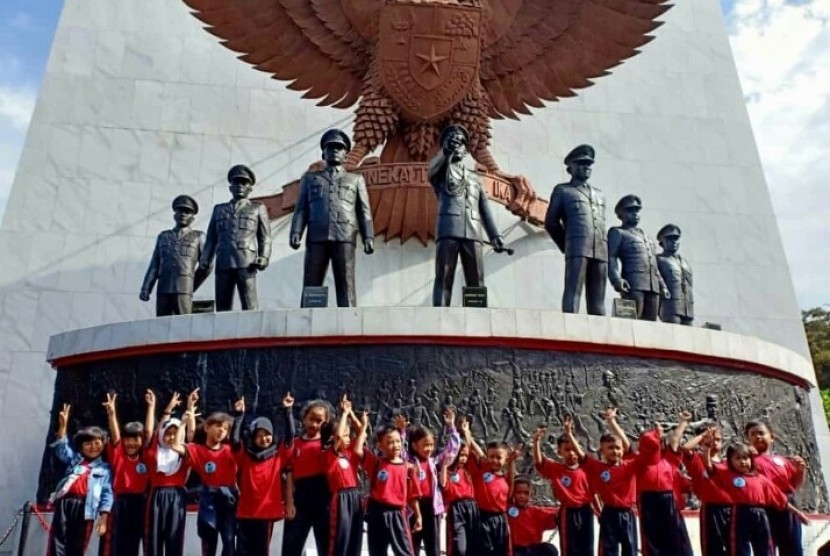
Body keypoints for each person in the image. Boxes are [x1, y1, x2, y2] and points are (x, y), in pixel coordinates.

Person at [290, 129, 374, 307]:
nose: (335, 150)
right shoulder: (311, 179)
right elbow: (301, 209)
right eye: (331, 147)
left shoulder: (356, 180)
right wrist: (296, 231)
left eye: (339, 148)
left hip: (344, 235)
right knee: (312, 282)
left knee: (346, 283)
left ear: (345, 155)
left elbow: (363, 212)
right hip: (316, 235)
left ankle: (349, 321)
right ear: (324, 152)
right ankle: (309, 321)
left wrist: (368, 237)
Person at [428, 124, 507, 306]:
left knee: (476, 279)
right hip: (449, 230)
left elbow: (485, 210)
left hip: (473, 232)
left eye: (461, 143)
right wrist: (446, 151)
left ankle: (477, 316)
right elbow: (432, 170)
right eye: (453, 141)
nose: (457, 145)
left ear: (466, 151)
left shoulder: (475, 179)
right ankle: (439, 315)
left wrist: (496, 236)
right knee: (444, 277)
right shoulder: (440, 172)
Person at [564, 408, 657, 556]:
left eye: (617, 448)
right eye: (610, 448)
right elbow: (582, 456)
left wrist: (612, 422)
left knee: (630, 549)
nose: (615, 451)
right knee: (608, 550)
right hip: (609, 514)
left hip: (628, 514)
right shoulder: (598, 467)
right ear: (602, 451)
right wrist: (569, 434)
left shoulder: (630, 465)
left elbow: (629, 447)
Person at [703, 442, 809, 556]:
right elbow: (709, 467)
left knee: (764, 546)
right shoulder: (727, 474)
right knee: (739, 547)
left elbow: (781, 499)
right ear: (730, 461)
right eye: (737, 458)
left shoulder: (761, 479)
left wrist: (799, 514)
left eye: (745, 458)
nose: (743, 462)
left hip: (761, 514)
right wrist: (707, 449)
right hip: (739, 513)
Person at [169, 389, 237, 556]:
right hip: (209, 500)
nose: (222, 431)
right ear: (207, 427)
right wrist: (184, 422)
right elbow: (176, 446)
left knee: (229, 542)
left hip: (229, 498)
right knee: (208, 542)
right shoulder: (197, 450)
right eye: (218, 426)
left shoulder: (231, 450)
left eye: (226, 429)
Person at [544, 144, 608, 315]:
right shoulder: (563, 191)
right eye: (580, 163)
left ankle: (600, 333)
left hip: (600, 249)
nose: (586, 167)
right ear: (570, 168)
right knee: (574, 292)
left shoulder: (599, 194)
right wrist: (567, 245)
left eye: (588, 164)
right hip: (577, 248)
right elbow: (551, 222)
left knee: (598, 299)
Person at [199, 164, 272, 311]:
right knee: (222, 305)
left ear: (250, 188)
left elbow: (265, 237)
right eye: (236, 183)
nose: (240, 186)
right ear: (230, 187)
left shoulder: (257, 209)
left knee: (249, 303)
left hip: (247, 262)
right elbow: (212, 238)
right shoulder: (219, 210)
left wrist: (264, 257)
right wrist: (205, 258)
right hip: (224, 260)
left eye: (244, 183)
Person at [231, 393, 295, 556]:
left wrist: (288, 411)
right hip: (246, 512)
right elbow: (235, 442)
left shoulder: (278, 456)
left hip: (265, 514)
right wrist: (239, 416)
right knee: (242, 552)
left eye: (266, 434)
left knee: (261, 552)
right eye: (258, 435)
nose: (263, 438)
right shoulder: (245, 456)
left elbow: (289, 438)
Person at [46, 403, 112, 556]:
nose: (93, 447)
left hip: (86, 506)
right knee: (58, 540)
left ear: (103, 444)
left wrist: (104, 517)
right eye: (88, 443)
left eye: (97, 443)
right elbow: (62, 451)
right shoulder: (75, 461)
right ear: (81, 447)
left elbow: (107, 494)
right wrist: (63, 426)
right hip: (65, 503)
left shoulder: (104, 469)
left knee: (79, 543)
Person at [399, 407, 460, 556]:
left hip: (432, 507)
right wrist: (402, 432)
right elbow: (400, 451)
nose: (429, 448)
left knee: (433, 547)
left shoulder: (434, 462)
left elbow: (452, 449)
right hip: (414, 508)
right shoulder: (409, 462)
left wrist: (451, 427)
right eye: (425, 445)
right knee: (412, 546)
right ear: (414, 446)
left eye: (431, 445)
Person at [633, 411, 693, 556]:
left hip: (668, 501)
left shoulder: (669, 460)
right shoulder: (640, 462)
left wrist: (683, 422)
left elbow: (675, 439)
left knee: (676, 539)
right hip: (648, 502)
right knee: (652, 541)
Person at [745, 420, 808, 556]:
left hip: (787, 506)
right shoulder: (746, 461)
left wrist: (800, 471)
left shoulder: (783, 461)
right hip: (763, 507)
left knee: (792, 547)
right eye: (753, 434)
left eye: (761, 433)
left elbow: (795, 486)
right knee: (766, 548)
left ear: (772, 437)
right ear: (748, 439)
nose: (757, 437)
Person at [357, 423, 421, 556]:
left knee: (404, 551)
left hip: (398, 514)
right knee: (377, 551)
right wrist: (362, 429)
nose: (395, 445)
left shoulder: (409, 468)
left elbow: (413, 496)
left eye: (398, 441)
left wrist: (418, 516)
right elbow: (358, 451)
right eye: (390, 442)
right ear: (380, 445)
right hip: (377, 513)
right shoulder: (376, 463)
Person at [143, 390, 195, 556]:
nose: (171, 436)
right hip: (156, 496)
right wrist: (153, 407)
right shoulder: (154, 452)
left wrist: (190, 409)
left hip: (177, 497)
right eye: (168, 433)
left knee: (174, 539)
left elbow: (191, 434)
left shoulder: (183, 452)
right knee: (153, 539)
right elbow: (150, 432)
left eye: (175, 433)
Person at [533, 418, 594, 556]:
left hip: (586, 511)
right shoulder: (556, 469)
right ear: (559, 452)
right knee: (569, 548)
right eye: (567, 450)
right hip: (568, 512)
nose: (571, 453)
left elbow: (594, 494)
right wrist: (536, 442)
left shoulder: (587, 469)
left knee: (587, 546)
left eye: (574, 449)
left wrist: (599, 511)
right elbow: (539, 462)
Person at [140, 194, 208, 316]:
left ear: (192, 217)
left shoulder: (199, 236)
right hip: (163, 286)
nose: (183, 214)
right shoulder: (164, 236)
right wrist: (146, 288)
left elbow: (207, 265)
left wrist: (192, 283)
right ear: (175, 214)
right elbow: (154, 265)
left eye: (187, 212)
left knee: (182, 323)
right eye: (180, 211)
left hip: (184, 287)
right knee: (161, 324)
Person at [99, 393, 150, 556]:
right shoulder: (118, 456)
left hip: (139, 503)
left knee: (133, 543)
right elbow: (115, 436)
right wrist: (112, 413)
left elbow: (149, 433)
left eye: (135, 439)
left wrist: (151, 406)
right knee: (114, 541)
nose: (131, 443)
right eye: (128, 439)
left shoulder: (147, 458)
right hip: (120, 502)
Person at [282, 399, 334, 556]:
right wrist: (289, 503)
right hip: (301, 500)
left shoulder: (328, 446)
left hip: (324, 500)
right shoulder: (295, 443)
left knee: (326, 546)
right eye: (312, 419)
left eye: (320, 421)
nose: (315, 424)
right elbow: (289, 474)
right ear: (304, 419)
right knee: (291, 544)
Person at [607, 195, 668, 320]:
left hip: (653, 287)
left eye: (637, 211)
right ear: (621, 214)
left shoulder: (647, 237)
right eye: (630, 210)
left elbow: (654, 266)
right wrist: (616, 279)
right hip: (633, 284)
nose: (635, 214)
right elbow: (611, 257)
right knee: (631, 322)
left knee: (650, 324)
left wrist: (663, 286)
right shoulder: (618, 233)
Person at [323, 396, 370, 556]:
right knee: (340, 538)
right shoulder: (329, 455)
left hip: (355, 496)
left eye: (348, 435)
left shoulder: (350, 452)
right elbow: (337, 437)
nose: (348, 438)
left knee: (355, 537)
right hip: (341, 499)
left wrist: (352, 414)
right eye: (345, 435)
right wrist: (343, 415)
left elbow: (361, 433)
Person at [461, 416, 513, 556]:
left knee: (499, 550)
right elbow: (478, 453)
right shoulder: (482, 470)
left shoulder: (505, 477)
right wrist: (467, 434)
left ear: (506, 459)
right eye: (492, 457)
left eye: (498, 457)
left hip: (500, 520)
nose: (494, 460)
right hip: (482, 517)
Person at [682, 426, 732, 556]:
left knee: (733, 546)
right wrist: (703, 435)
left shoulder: (729, 463)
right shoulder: (696, 460)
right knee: (712, 548)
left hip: (731, 509)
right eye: (710, 440)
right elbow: (686, 448)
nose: (714, 442)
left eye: (717, 439)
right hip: (711, 510)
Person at [439, 441, 479, 556]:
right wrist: (445, 465)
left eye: (465, 456)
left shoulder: (467, 469)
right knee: (459, 547)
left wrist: (468, 436)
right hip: (456, 509)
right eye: (460, 455)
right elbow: (443, 485)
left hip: (472, 508)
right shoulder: (447, 472)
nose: (463, 459)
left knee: (473, 545)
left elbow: (481, 457)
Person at [507, 476, 559, 556]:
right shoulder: (508, 508)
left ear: (531, 494)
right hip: (514, 550)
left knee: (550, 549)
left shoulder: (536, 512)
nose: (522, 496)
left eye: (526, 493)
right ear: (513, 493)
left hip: (533, 550)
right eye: (518, 492)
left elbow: (557, 514)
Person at [656, 224, 694, 325]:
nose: (673, 242)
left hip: (687, 308)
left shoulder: (685, 262)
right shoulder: (658, 259)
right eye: (669, 239)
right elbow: (655, 277)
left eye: (676, 239)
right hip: (670, 307)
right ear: (661, 242)